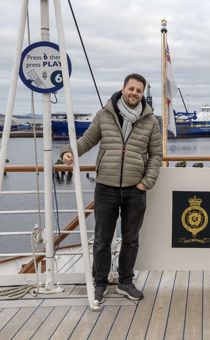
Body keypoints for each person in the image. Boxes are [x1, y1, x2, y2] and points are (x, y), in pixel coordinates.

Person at [61, 73, 162, 304]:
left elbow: (156, 155)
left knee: (131, 239)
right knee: (102, 239)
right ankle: (100, 283)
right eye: (131, 89)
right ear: (123, 89)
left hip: (135, 189)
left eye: (139, 90)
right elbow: (87, 140)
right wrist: (69, 151)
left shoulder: (150, 121)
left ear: (142, 93)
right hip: (106, 187)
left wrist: (146, 182)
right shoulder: (104, 115)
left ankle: (125, 282)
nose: (135, 93)